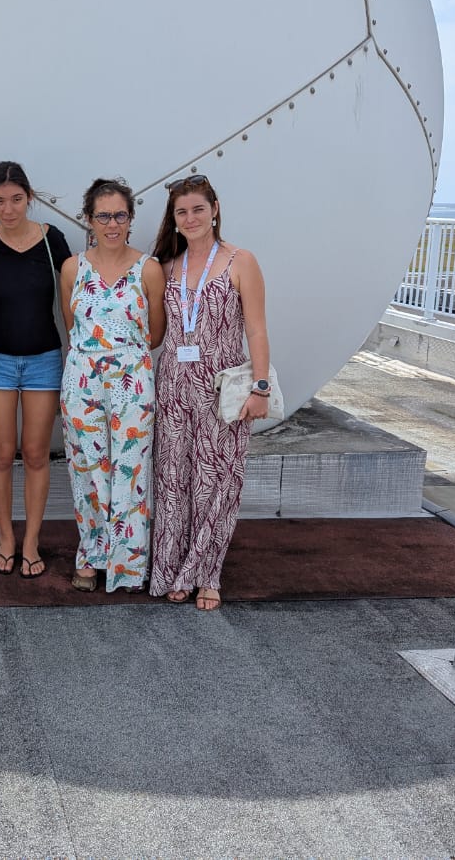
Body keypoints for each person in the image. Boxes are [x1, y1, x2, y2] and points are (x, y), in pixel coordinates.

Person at [148, 174, 271, 610]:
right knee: (173, 480)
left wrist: (260, 388)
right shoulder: (167, 267)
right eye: (182, 212)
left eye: (198, 209)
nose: (191, 218)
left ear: (214, 210)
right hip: (173, 386)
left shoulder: (241, 260)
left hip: (222, 387)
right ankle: (171, 569)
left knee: (217, 480)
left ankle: (206, 573)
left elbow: (256, 329)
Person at [60, 177, 166, 593]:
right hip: (82, 379)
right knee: (88, 466)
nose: (112, 224)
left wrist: (121, 358)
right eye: (103, 216)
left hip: (131, 378)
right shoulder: (72, 268)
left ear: (131, 218)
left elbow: (155, 332)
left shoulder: (149, 269)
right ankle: (92, 555)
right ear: (88, 219)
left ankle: (128, 564)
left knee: (131, 467)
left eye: (120, 215)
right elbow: (73, 325)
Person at [0, 162, 72, 579]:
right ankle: (6, 539)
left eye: (16, 200)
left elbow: (75, 295)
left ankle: (30, 541)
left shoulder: (52, 239)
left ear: (29, 198)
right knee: (0, 454)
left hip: (43, 359)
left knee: (34, 453)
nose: (8, 209)